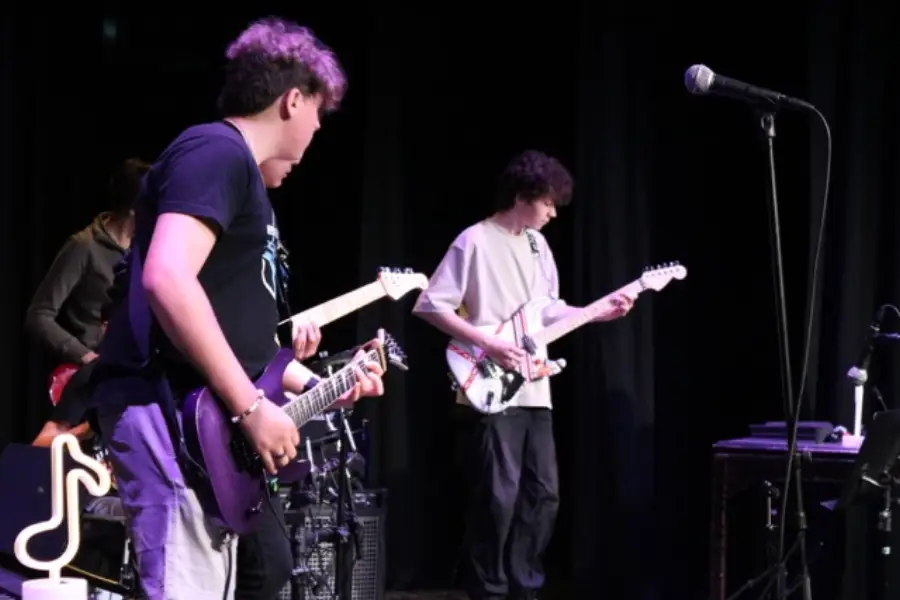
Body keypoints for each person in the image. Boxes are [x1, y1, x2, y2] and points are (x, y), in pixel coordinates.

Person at [89, 18, 385, 600]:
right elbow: (167, 277)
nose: (316, 132)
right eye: (318, 114)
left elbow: (242, 338)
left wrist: (321, 384)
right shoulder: (216, 151)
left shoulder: (243, 182)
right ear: (293, 100)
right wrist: (251, 407)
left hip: (206, 425)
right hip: (170, 412)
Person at [412, 150, 637, 600]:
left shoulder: (538, 246)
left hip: (535, 387)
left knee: (543, 494)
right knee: (498, 496)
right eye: (548, 202)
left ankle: (525, 588)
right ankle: (489, 590)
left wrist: (596, 312)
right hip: (490, 382)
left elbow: (549, 310)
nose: (553, 212)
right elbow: (430, 305)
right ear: (522, 196)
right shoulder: (474, 241)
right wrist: (488, 342)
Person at [26, 158, 150, 447]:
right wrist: (83, 354)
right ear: (135, 207)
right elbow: (39, 314)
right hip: (97, 367)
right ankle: (61, 436)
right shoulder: (84, 247)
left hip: (132, 363)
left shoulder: (148, 248)